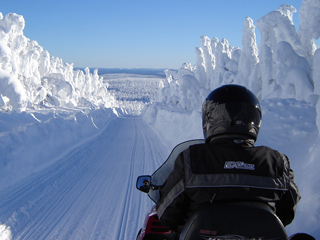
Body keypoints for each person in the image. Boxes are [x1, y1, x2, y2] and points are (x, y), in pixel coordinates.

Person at [156, 84, 301, 238]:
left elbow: (167, 214)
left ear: (210, 121)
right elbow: (287, 213)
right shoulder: (277, 162)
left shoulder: (192, 159)